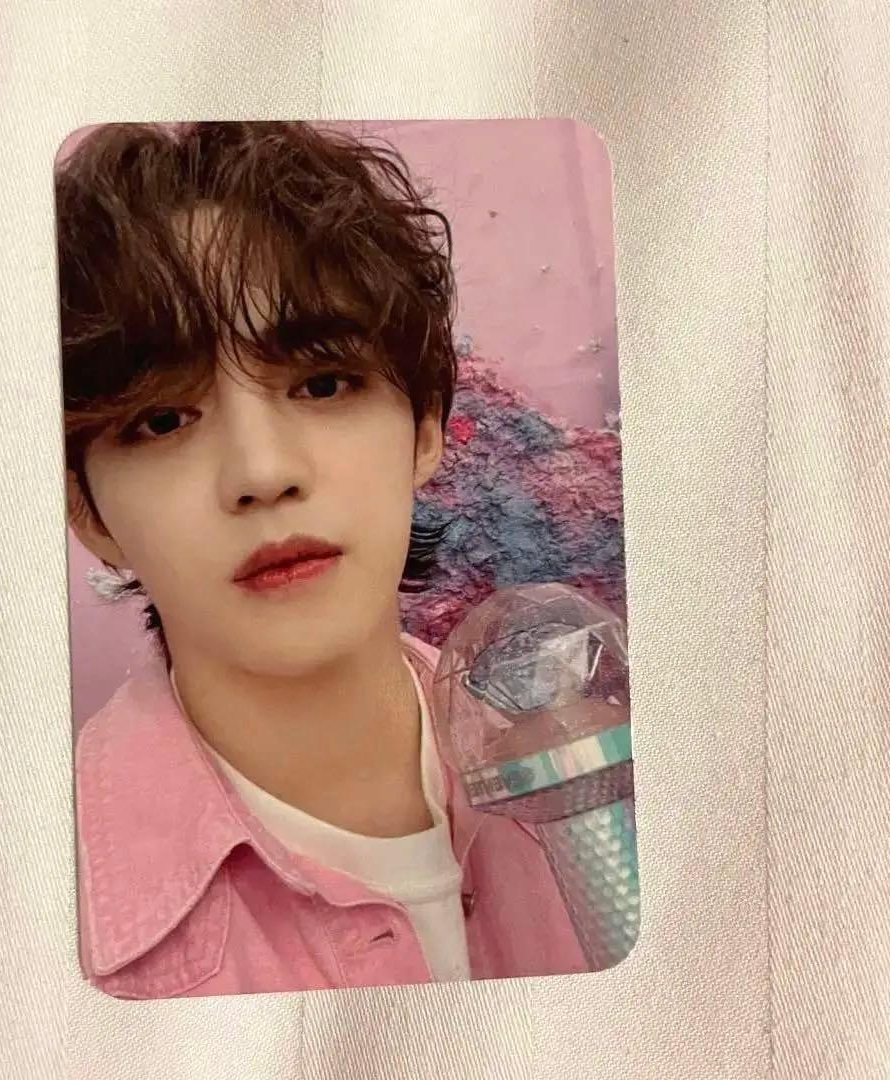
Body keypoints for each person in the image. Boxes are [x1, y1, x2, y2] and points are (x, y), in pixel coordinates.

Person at [56, 121, 587, 999]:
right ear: (89, 514)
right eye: (162, 420)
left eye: (323, 383)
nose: (262, 473)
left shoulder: (605, 771)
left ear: (424, 428)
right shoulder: (26, 917)